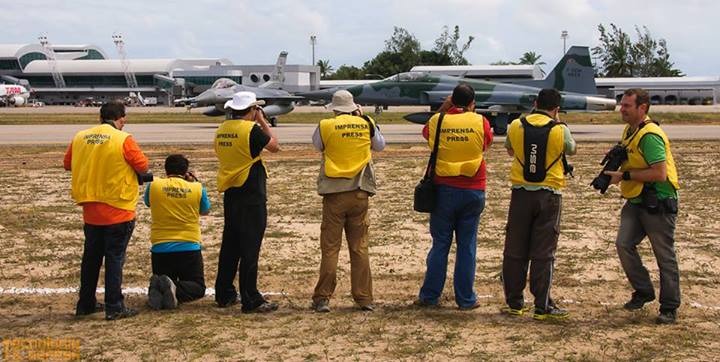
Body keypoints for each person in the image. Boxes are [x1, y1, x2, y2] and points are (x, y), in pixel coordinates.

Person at [63, 100, 148, 320]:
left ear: (99, 117)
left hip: (90, 208)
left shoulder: (80, 137)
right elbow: (142, 166)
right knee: (114, 259)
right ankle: (114, 306)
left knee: (90, 259)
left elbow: (68, 163)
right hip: (118, 207)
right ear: (121, 119)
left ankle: (86, 303)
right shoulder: (123, 138)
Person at [603, 88, 681, 324]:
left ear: (642, 108)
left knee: (664, 255)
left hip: (658, 201)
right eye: (622, 105)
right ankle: (644, 291)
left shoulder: (651, 136)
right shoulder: (630, 130)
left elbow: (659, 173)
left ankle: (669, 307)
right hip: (637, 199)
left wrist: (624, 176)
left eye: (627, 106)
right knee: (623, 244)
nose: (622, 109)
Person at [415, 84, 493, 310]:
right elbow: (486, 143)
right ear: (472, 103)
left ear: (451, 100)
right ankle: (466, 298)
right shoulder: (481, 122)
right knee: (467, 246)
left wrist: (445, 107)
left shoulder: (437, 121)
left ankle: (430, 296)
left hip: (443, 189)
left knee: (440, 244)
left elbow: (426, 133)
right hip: (473, 188)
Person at [501, 88, 576, 320]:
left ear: (535, 103)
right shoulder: (560, 129)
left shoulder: (516, 125)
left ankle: (514, 302)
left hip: (521, 193)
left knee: (515, 249)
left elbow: (510, 149)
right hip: (549, 194)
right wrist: (559, 124)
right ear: (556, 109)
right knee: (544, 252)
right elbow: (571, 149)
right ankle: (542, 305)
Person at [310, 90, 385, 313]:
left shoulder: (326, 125)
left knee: (331, 248)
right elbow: (380, 145)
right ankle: (364, 298)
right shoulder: (366, 122)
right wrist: (363, 118)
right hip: (360, 191)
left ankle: (322, 297)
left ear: (334, 109)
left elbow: (317, 146)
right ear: (354, 106)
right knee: (359, 246)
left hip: (334, 193)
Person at [214, 91, 280, 313]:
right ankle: (250, 297)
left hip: (231, 191)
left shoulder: (222, 129)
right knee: (250, 247)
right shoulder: (251, 129)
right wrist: (262, 121)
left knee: (230, 245)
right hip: (251, 192)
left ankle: (224, 292)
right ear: (252, 109)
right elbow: (273, 146)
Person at [144, 154, 211, 310]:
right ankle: (172, 288)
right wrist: (194, 182)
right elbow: (205, 210)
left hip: (160, 248)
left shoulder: (154, 185)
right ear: (186, 171)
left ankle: (161, 287)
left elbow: (148, 202)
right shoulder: (196, 188)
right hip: (188, 246)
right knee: (197, 287)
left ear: (166, 170)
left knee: (163, 281)